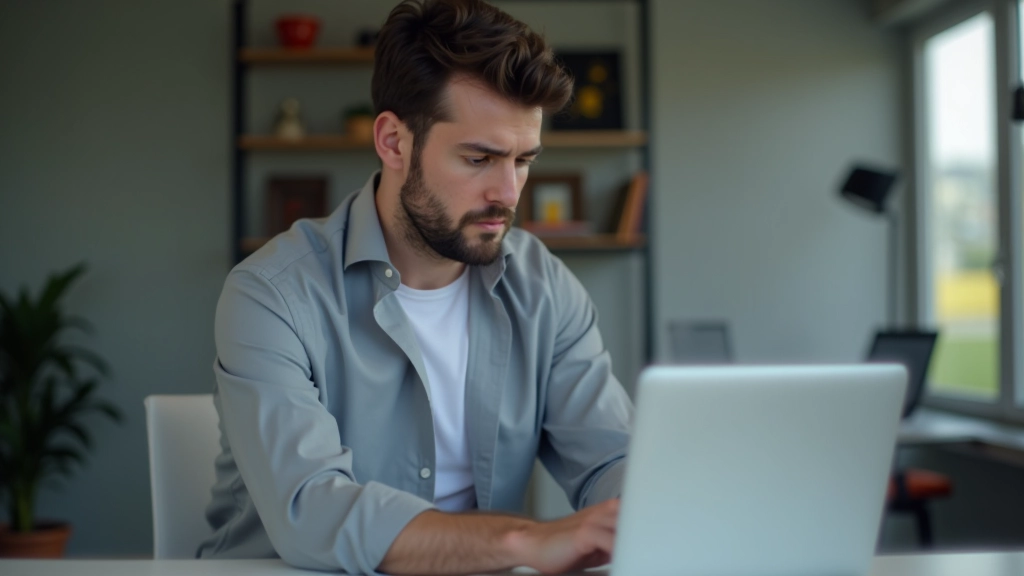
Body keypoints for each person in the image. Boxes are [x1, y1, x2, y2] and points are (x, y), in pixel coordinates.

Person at [198, 0, 633, 574]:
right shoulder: (271, 295)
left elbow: (611, 458)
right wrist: (523, 542)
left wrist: (650, 504)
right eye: (479, 158)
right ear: (394, 142)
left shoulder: (543, 287)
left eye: (524, 159)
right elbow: (312, 508)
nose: (508, 191)